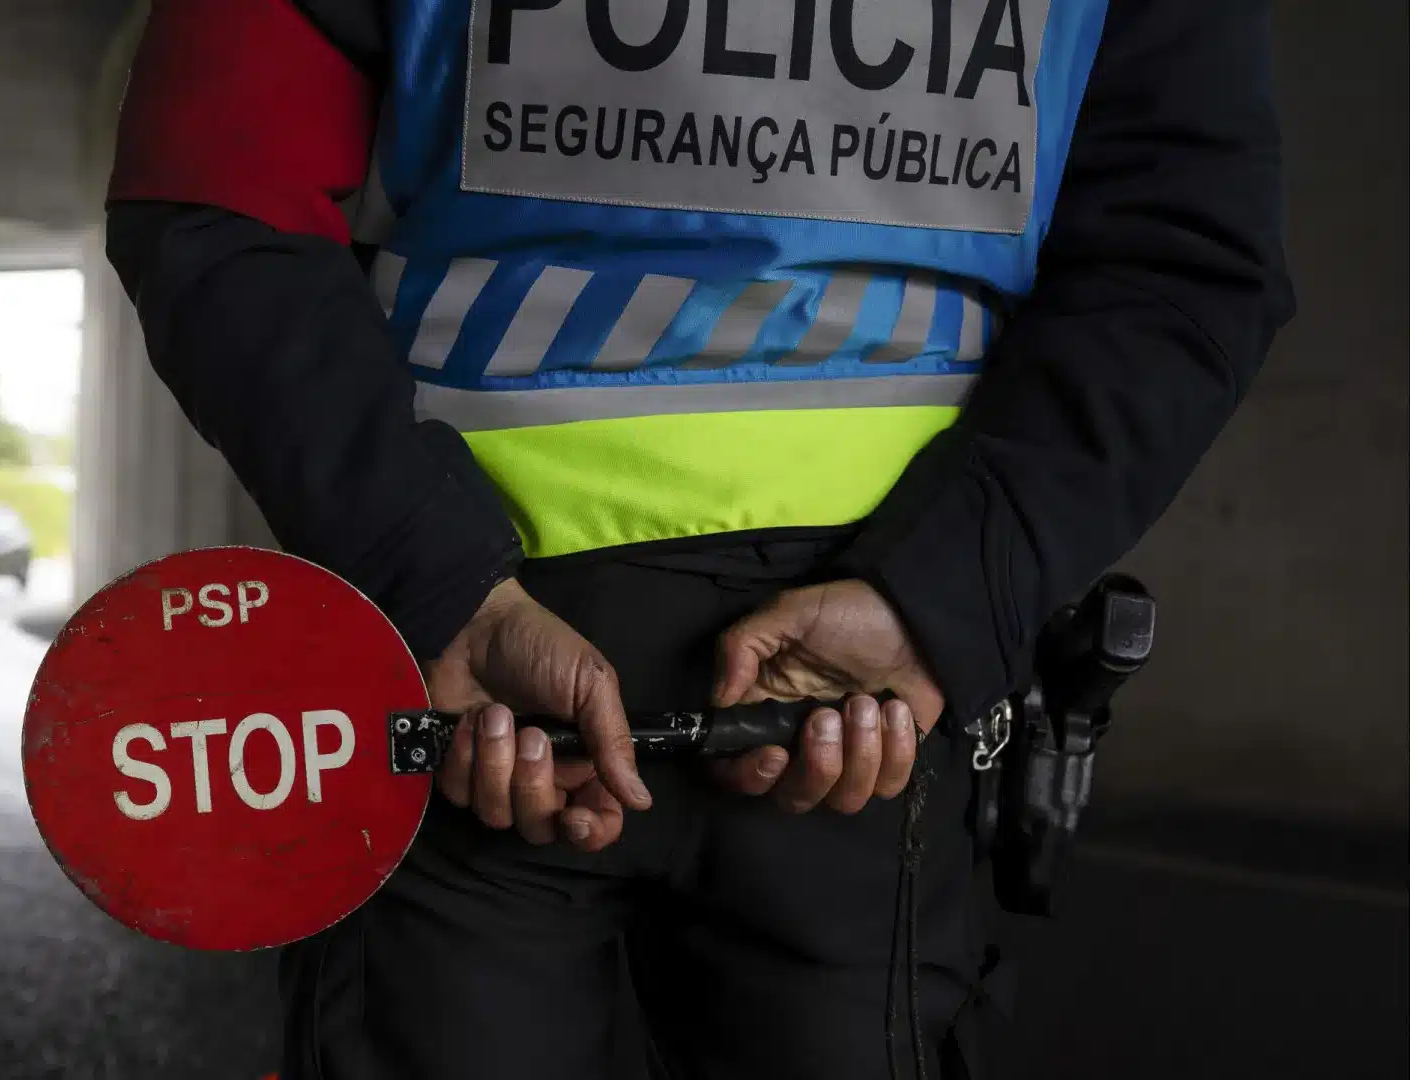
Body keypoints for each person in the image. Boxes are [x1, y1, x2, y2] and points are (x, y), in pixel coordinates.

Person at [103, 1, 1294, 1076]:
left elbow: (217, 187)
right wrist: (940, 596)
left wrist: (436, 579)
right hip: (836, 708)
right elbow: (1183, 260)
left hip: (480, 667)